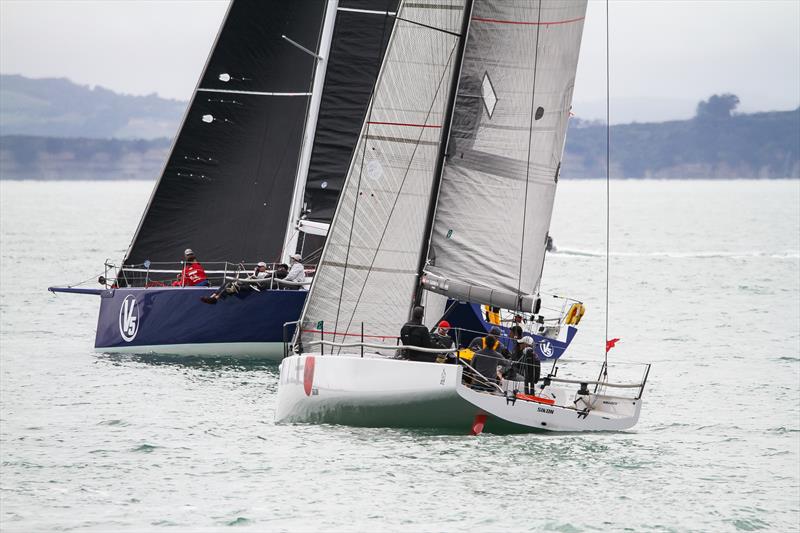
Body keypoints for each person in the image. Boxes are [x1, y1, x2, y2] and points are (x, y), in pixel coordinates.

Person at [201, 261, 268, 304]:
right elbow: (252, 277)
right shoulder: (256, 272)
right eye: (258, 266)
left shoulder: (265, 274)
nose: (258, 267)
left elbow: (257, 280)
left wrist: (255, 273)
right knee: (226, 283)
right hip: (247, 283)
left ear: (264, 267)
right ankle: (212, 297)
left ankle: (215, 299)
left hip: (252, 286)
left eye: (259, 267)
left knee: (230, 286)